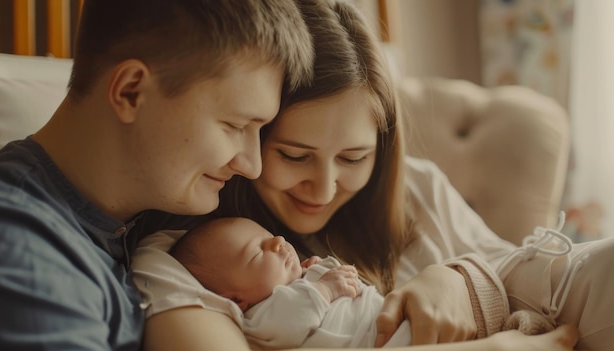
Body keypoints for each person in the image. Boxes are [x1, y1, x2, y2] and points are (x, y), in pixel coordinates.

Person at [132, 0, 591, 350]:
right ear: (248, 138)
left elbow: (521, 271)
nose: (325, 187)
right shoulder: (185, 257)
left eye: (353, 158)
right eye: (294, 156)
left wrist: (455, 275)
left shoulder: (416, 186)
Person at [0, 0, 314, 349]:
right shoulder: (23, 255)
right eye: (235, 125)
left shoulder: (147, 217)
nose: (252, 166)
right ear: (131, 91)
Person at [166, 216, 556, 349]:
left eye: (270, 235)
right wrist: (323, 287)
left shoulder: (296, 280)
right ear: (236, 300)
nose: (278, 241)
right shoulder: (261, 319)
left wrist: (319, 272)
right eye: (257, 252)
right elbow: (288, 320)